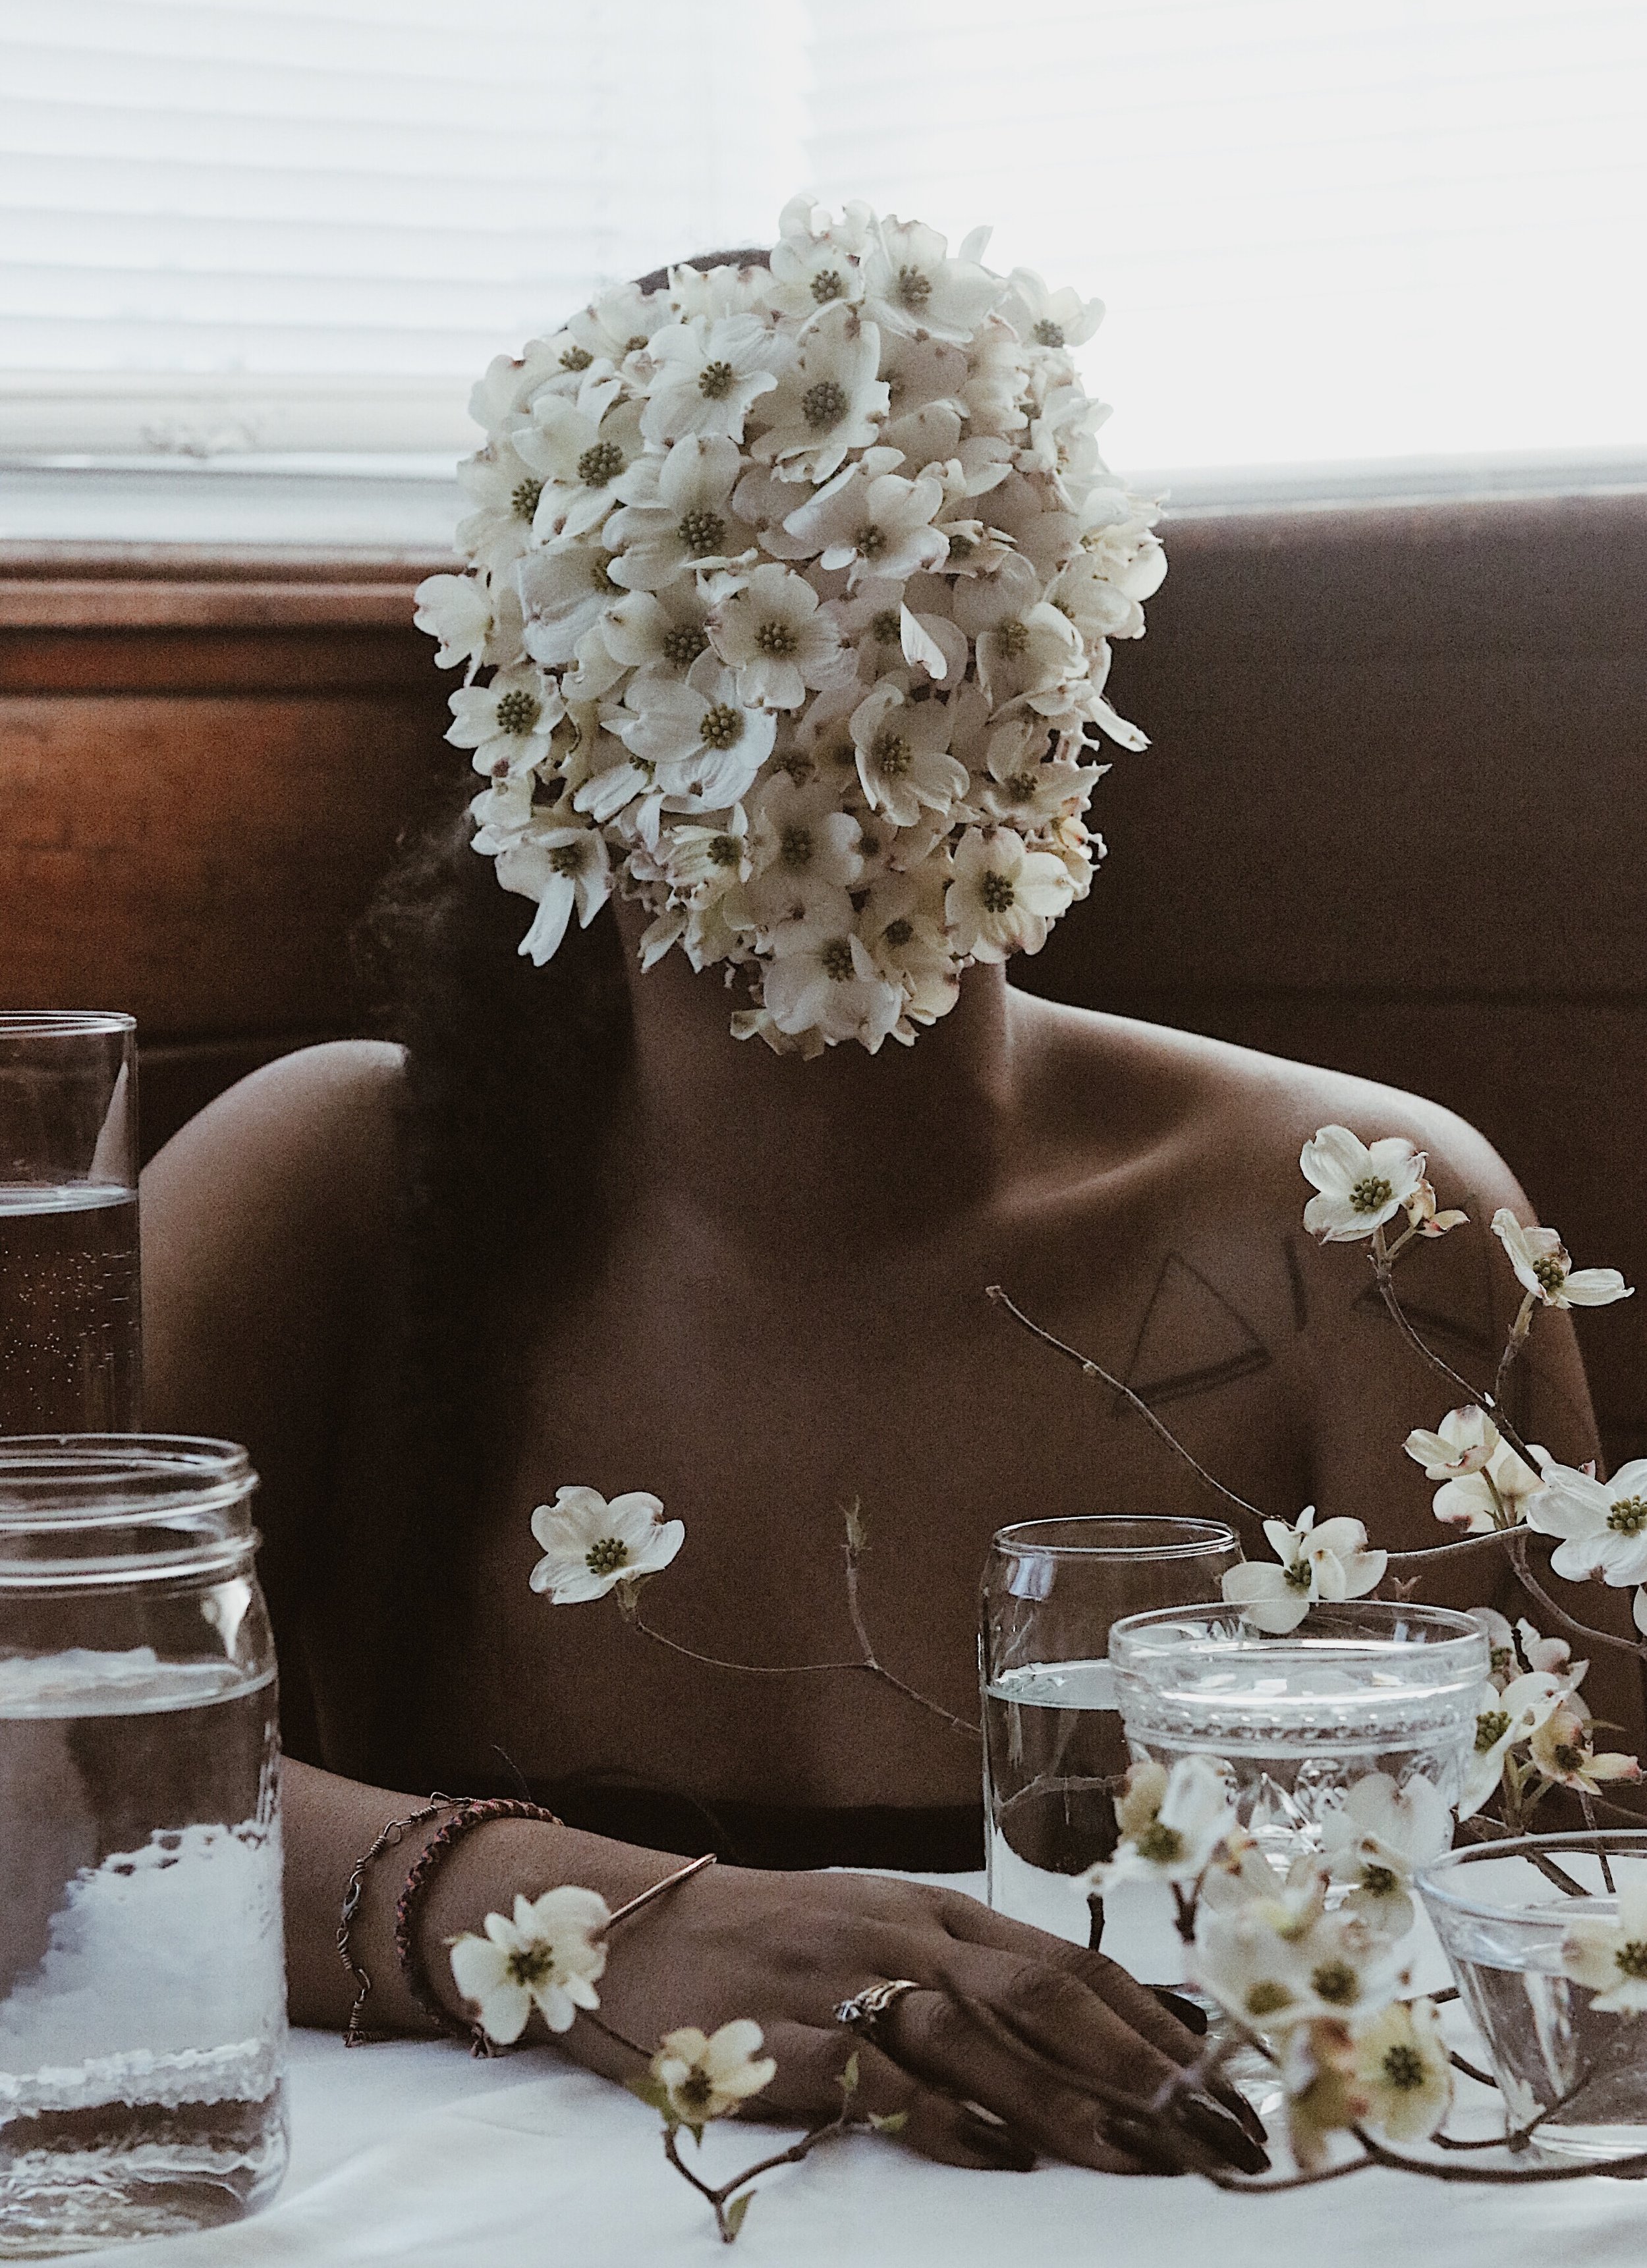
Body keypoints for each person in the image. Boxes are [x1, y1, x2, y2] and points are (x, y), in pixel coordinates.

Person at [140, 215, 1619, 2179]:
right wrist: (607, 1927)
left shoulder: (1351, 1223)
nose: (832, 666)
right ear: (545, 677)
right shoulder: (329, 1183)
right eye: (712, 594)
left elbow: (1560, 1971)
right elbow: (32, 1786)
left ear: (1049, 650)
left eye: (922, 582)